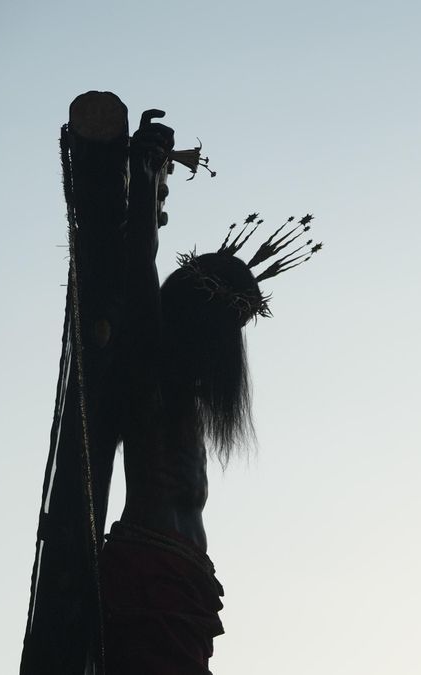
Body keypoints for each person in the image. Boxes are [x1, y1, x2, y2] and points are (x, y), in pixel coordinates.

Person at [98, 113, 319, 675]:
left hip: (184, 576)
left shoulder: (190, 397)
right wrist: (147, 172)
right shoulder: (151, 368)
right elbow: (140, 259)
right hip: (153, 567)